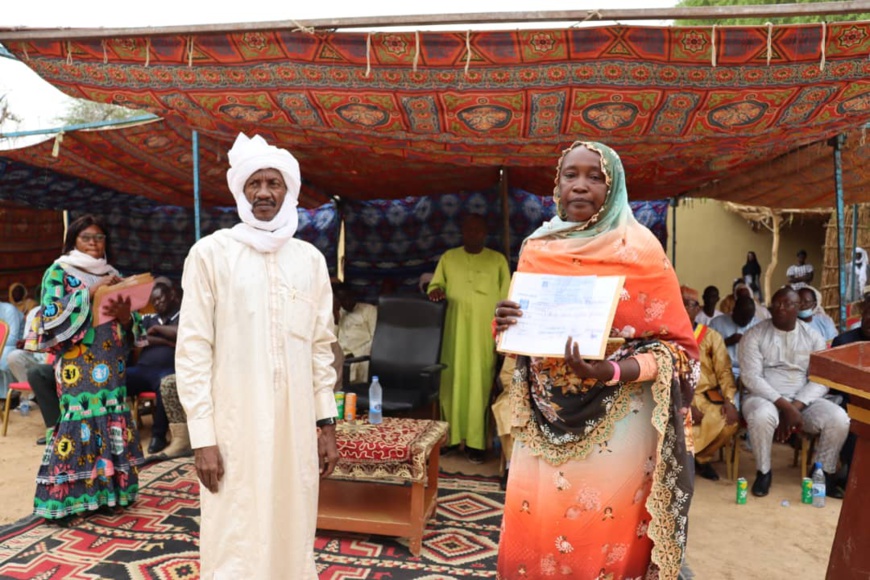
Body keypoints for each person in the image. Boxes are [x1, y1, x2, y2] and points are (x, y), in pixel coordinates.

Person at [494, 142, 698, 579]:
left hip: (619, 421)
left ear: (614, 185)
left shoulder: (641, 250)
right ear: (558, 184)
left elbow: (677, 351)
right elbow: (525, 338)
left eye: (595, 176)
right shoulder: (537, 247)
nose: (581, 185)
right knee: (539, 524)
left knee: (601, 534)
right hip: (542, 421)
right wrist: (505, 321)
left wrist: (609, 370)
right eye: (571, 175)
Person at [175, 133, 339, 579]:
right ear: (240, 191)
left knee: (293, 521)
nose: (264, 192)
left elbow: (321, 346)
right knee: (236, 527)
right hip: (233, 425)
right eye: (254, 183)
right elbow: (192, 350)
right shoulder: (210, 254)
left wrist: (326, 424)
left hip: (296, 423)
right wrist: (202, 436)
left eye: (274, 183)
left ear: (289, 192)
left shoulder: (309, 260)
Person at [28, 214, 146, 522]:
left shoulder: (113, 273)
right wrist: (90, 293)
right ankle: (63, 503)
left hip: (113, 362)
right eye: (86, 237)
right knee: (78, 424)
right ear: (74, 241)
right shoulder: (59, 272)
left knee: (111, 422)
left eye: (99, 237)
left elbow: (134, 322)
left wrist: (125, 316)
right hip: (79, 365)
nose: (94, 243)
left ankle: (108, 496)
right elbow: (50, 319)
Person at [739, 287, 849, 498]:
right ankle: (764, 472)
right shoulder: (754, 334)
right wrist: (785, 406)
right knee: (762, 416)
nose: (781, 307)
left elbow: (820, 380)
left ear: (798, 307)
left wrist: (795, 407)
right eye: (777, 303)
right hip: (762, 397)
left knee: (839, 418)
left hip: (803, 401)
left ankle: (821, 472)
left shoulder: (813, 337)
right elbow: (751, 378)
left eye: (788, 304)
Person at [428, 214, 510, 464]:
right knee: (451, 385)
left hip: (483, 337)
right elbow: (434, 286)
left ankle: (476, 444)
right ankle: (451, 440)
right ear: (461, 232)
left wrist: (503, 338)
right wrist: (436, 292)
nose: (472, 233)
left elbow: (508, 300)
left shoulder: (497, 261)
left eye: (478, 229)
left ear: (485, 232)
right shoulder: (448, 258)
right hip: (454, 336)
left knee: (479, 386)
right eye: (468, 229)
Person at [682, 286, 739, 481]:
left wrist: (729, 401)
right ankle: (682, 460)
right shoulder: (665, 336)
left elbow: (724, 371)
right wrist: (686, 405)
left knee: (729, 423)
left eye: (688, 304)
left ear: (697, 308)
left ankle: (701, 458)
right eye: (678, 303)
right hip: (675, 396)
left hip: (706, 395)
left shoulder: (711, 336)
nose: (682, 308)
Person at [125, 278, 181, 454]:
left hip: (167, 370)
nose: (157, 304)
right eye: (154, 301)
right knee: (113, 378)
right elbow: (138, 340)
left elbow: (182, 334)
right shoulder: (148, 318)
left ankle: (159, 435)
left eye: (160, 299)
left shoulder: (183, 315)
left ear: (171, 295)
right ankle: (116, 434)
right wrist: (166, 339)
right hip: (142, 369)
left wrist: (156, 331)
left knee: (166, 383)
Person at [333, 283, 377, 384]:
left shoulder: (369, 310)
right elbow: (332, 339)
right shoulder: (339, 313)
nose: (347, 302)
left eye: (348, 297)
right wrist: (335, 316)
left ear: (354, 295)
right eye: (342, 300)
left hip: (362, 353)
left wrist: (355, 354)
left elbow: (375, 339)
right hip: (342, 354)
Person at [710, 296, 760, 382]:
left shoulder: (758, 326)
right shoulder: (717, 323)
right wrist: (727, 341)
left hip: (750, 373)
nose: (745, 321)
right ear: (734, 310)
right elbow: (706, 350)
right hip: (722, 372)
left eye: (748, 318)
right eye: (742, 317)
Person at [0, 299, 24, 401]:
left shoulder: (8, 310)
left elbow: (13, 338)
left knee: (5, 353)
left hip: (17, 345)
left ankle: (10, 396)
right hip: (3, 344)